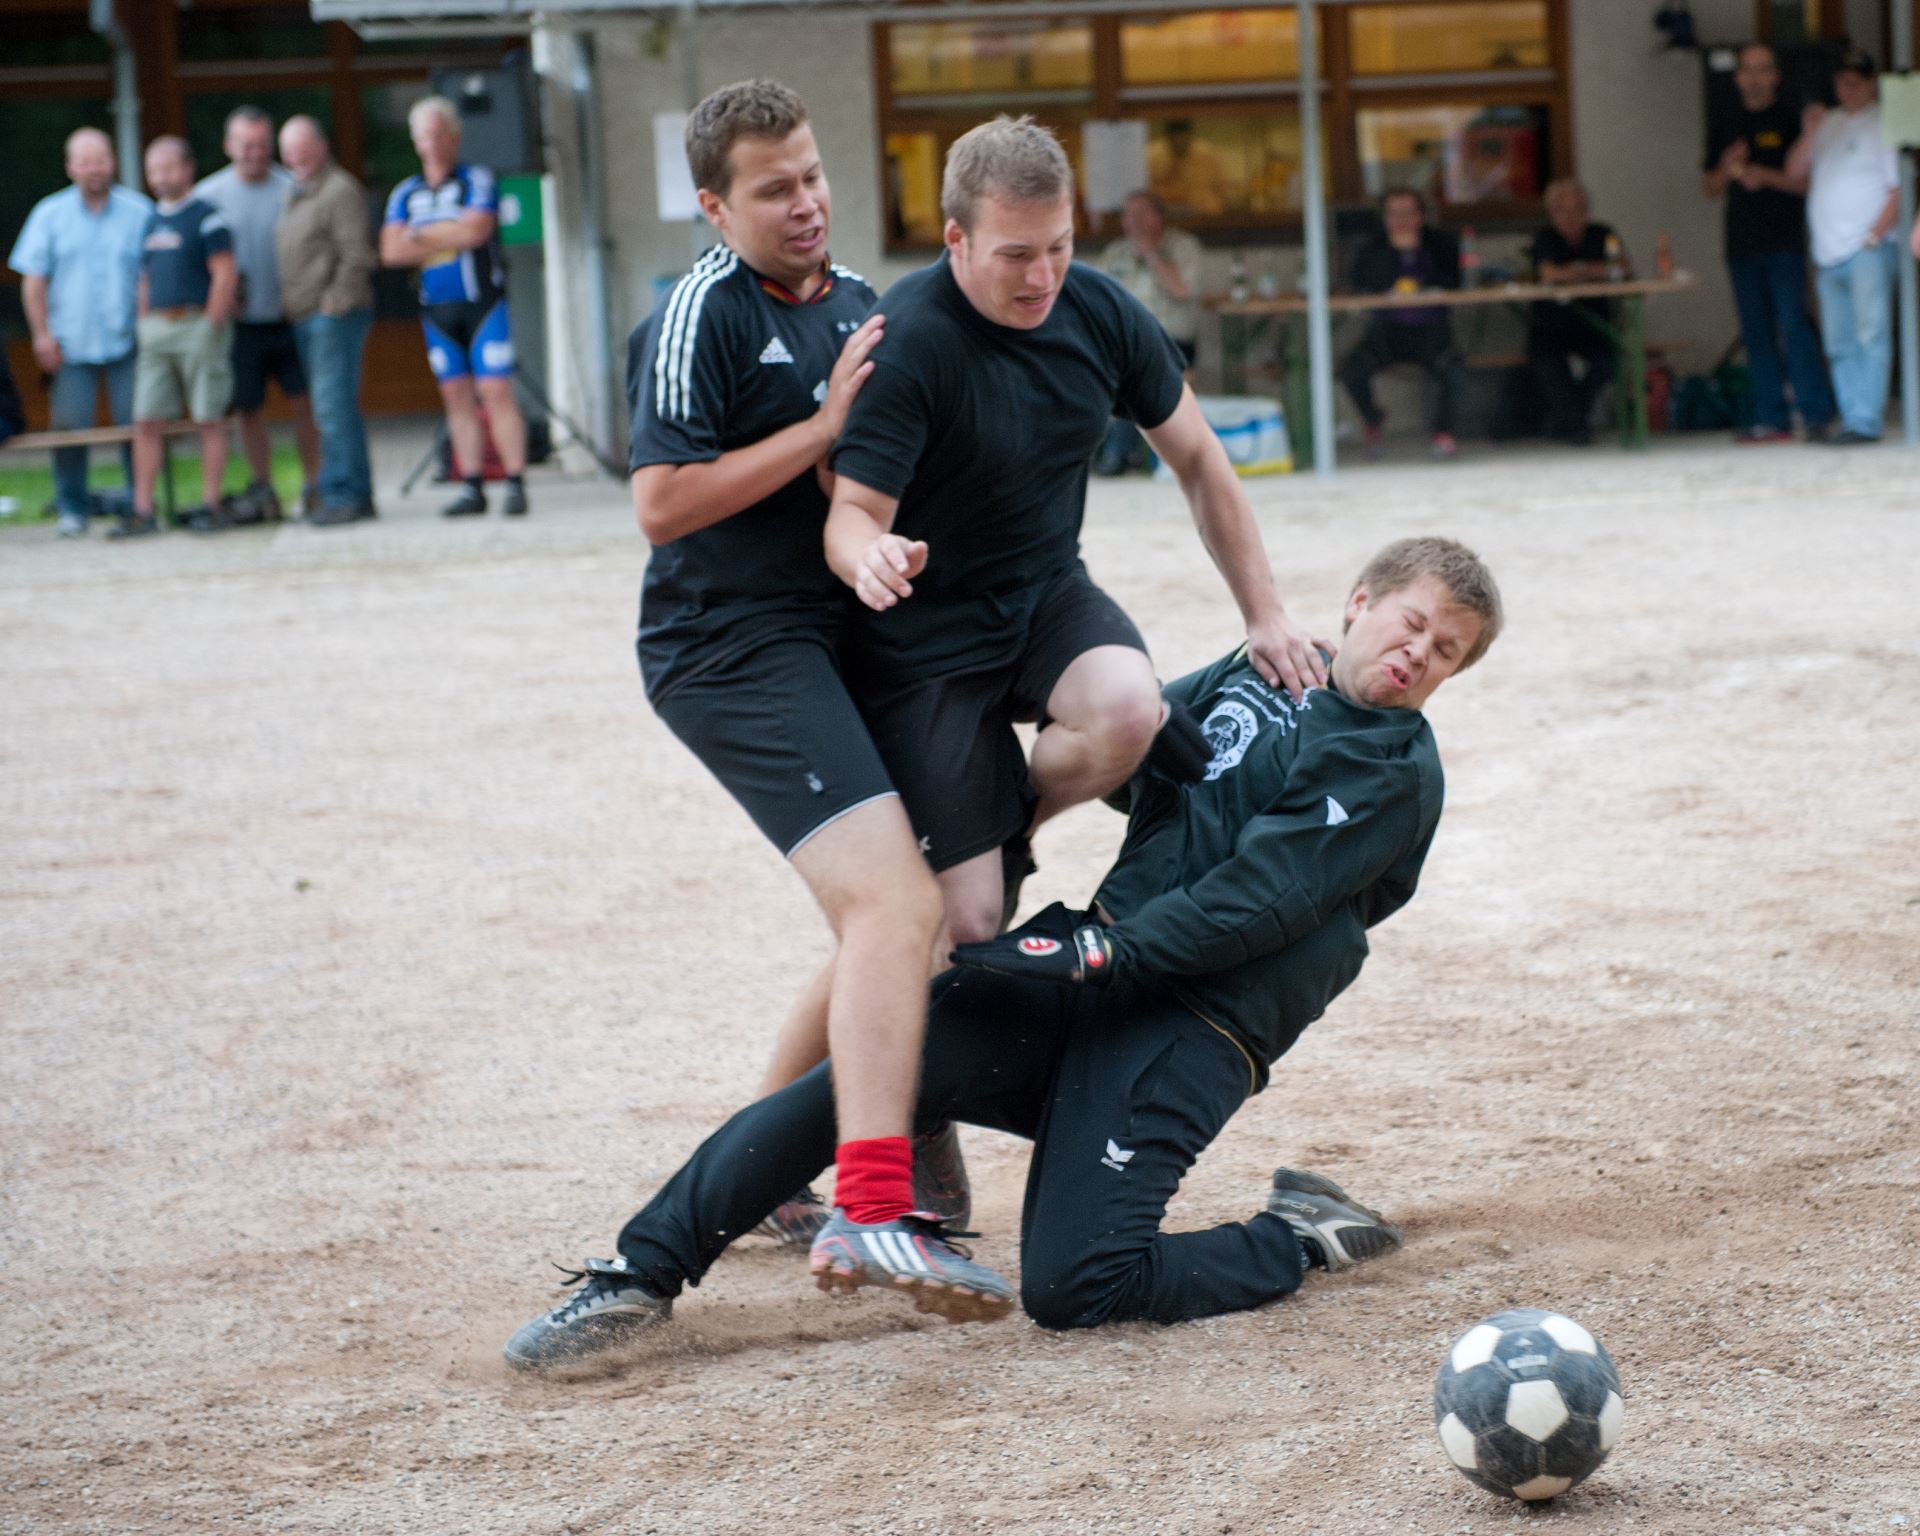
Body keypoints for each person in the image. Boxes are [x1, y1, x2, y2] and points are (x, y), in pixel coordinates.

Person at [501, 535, 1504, 1365]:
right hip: (1097, 960)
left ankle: (1299, 1235)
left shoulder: (1393, 774)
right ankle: (635, 1278)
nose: (1419, 653)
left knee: (1077, 1288)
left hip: (1193, 1027)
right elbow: (1139, 758)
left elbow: (1260, 900)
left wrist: (1096, 959)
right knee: (864, 1075)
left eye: (1446, 652)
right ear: (1362, 602)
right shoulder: (1265, 669)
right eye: (1412, 624)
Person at [621, 81, 995, 1311]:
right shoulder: (698, 312)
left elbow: (875, 478)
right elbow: (661, 502)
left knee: (913, 907)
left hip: (832, 636)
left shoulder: (860, 305)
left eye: (815, 175)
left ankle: (776, 1169)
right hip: (725, 646)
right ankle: (872, 1205)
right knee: (893, 905)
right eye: (774, 187)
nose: (807, 203)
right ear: (714, 204)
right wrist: (824, 421)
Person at [825, 115, 1327, 955]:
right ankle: (974, 858)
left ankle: (1007, 822)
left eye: (1057, 245)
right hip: (924, 641)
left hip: (1045, 597)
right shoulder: (910, 337)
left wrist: (1265, 613)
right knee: (970, 923)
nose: (1043, 274)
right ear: (957, 238)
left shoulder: (1096, 309)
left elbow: (1199, 460)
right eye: (1016, 254)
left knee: (1133, 710)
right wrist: (868, 555)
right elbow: (851, 513)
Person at [380, 96, 530, 518]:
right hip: (437, 310)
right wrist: (448, 231)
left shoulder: (476, 180)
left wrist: (420, 236)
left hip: (483, 304)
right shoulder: (405, 192)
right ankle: (472, 484)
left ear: (455, 137)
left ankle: (516, 481)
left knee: (496, 389)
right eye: (425, 136)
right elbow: (390, 250)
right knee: (456, 396)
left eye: (440, 134)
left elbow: (475, 232)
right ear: (416, 142)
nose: (433, 143)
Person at [7, 127, 151, 537]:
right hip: (69, 344)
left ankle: (139, 503)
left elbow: (151, 276)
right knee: (68, 430)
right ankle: (72, 509)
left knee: (136, 425)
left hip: (129, 340)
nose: (94, 169)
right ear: (70, 166)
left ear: (113, 162)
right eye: (85, 161)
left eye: (101, 160)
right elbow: (33, 281)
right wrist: (41, 335)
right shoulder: (49, 215)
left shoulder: (140, 212)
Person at [1702, 42, 1835, 445]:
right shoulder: (1725, 119)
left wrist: (1764, 175)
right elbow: (1709, 188)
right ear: (1738, 77)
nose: (1755, 78)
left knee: (1794, 327)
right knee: (1755, 332)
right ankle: (1770, 417)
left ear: (1776, 76)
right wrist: (1727, 168)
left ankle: (1814, 414)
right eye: (1748, 70)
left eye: (1763, 70)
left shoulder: (1792, 117)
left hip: (1784, 242)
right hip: (1741, 244)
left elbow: (1807, 182)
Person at [195, 105, 322, 520]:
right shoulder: (207, 197)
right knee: (248, 410)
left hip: (292, 319)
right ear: (229, 146)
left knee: (306, 404)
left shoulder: (294, 188)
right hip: (242, 327)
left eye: (263, 145)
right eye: (247, 145)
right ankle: (263, 487)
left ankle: (315, 485)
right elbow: (193, 260)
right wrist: (216, 296)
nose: (255, 153)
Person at [120, 136, 237, 540]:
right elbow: (145, 276)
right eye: (153, 170)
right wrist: (143, 320)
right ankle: (143, 510)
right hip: (156, 329)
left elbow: (224, 271)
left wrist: (212, 322)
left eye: (168, 168)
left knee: (208, 418)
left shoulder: (208, 216)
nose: (160, 178)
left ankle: (211, 505)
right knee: (146, 419)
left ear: (188, 169)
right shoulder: (151, 220)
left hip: (196, 324)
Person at [1789, 50, 1899, 445]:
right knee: (1839, 341)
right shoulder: (1829, 122)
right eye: (1841, 82)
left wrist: (1875, 234)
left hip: (1867, 246)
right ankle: (1853, 414)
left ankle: (1866, 419)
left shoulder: (1884, 122)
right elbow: (1795, 171)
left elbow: (1898, 187)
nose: (1847, 89)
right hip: (1828, 250)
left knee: (1872, 334)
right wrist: (1808, 131)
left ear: (1871, 84)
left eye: (1856, 81)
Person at [275, 116, 377, 526]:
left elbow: (358, 255)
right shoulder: (295, 192)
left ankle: (341, 495)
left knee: (332, 408)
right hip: (307, 317)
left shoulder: (339, 191)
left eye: (302, 150)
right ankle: (358, 493)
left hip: (333, 317)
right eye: (289, 152)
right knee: (334, 407)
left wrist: (333, 303)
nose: (295, 158)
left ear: (322, 146)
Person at [1338, 188, 1466, 460]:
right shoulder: (1372, 247)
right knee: (1351, 370)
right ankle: (1373, 419)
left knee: (1455, 369)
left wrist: (1429, 290)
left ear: (1421, 216)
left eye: (1408, 212)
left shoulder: (1440, 243)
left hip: (1432, 332)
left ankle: (1443, 432)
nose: (1401, 219)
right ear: (1384, 218)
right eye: (1394, 213)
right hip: (1386, 334)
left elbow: (1455, 282)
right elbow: (1359, 285)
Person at [1094, 189, 1201, 475]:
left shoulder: (1183, 247)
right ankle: (1100, 450)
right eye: (1128, 215)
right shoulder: (1115, 252)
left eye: (1140, 214)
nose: (1132, 222)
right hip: (1120, 344)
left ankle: (1116, 453)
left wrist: (1152, 254)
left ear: (1158, 217)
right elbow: (1097, 301)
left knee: (1135, 370)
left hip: (1172, 342)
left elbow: (1182, 290)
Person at [1527, 179, 1622, 446]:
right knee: (1546, 363)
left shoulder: (1602, 234)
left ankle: (1571, 419)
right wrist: (1592, 270)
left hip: (1595, 324)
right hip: (1552, 325)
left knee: (1610, 360)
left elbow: (1621, 267)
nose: (1571, 217)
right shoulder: (1545, 238)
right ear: (1552, 213)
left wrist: (1574, 271)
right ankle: (1574, 423)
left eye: (1579, 209)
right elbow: (1549, 273)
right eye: (1563, 210)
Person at [1148, 119, 1229, 216]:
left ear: (1190, 136)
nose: (1180, 143)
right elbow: (1149, 193)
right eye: (1175, 140)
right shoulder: (1153, 156)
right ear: (1168, 138)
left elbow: (1222, 188)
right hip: (1168, 215)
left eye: (1184, 139)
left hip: (1205, 215)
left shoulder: (1207, 154)